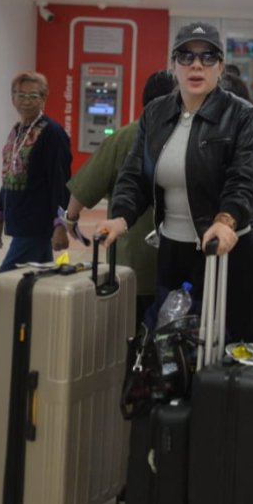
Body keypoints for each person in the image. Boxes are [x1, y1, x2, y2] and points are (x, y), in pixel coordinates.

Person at [98, 22, 253, 343]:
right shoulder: (155, 114)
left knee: (228, 344)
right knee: (171, 343)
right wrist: (121, 216)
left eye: (207, 57)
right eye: (186, 56)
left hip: (226, 252)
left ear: (220, 66)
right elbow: (134, 174)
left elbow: (246, 178)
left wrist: (225, 220)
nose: (196, 65)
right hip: (171, 251)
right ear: (173, 64)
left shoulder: (243, 116)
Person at [0, 71, 71, 365]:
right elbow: (8, 175)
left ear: (44, 98)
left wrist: (60, 224)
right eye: (20, 95)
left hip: (36, 225)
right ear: (12, 98)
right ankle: (35, 346)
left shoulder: (52, 133)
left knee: (3, 287)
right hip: (20, 223)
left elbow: (60, 181)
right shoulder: (18, 131)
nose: (26, 101)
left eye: (33, 96)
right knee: (34, 290)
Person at [64, 70, 175, 326]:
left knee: (128, 332)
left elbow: (84, 188)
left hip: (130, 262)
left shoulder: (123, 138)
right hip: (175, 260)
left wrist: (70, 219)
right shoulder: (187, 139)